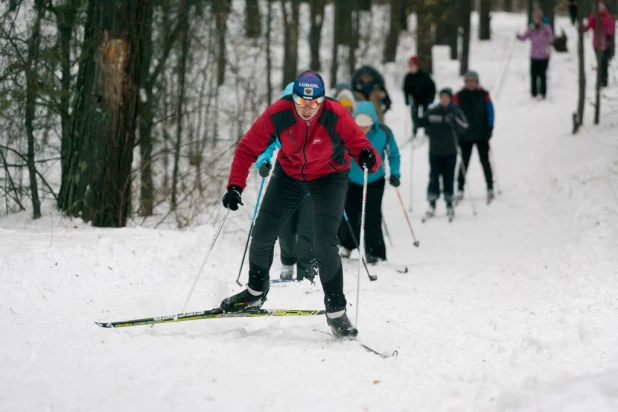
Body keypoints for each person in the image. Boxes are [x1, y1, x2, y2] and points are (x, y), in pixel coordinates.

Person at [221, 71, 381, 338]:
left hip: (330, 178)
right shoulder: (279, 113)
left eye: (314, 103)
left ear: (322, 100)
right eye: (301, 102)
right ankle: (255, 292)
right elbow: (247, 148)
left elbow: (362, 148)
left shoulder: (336, 114)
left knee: (324, 243)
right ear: (293, 97)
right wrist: (235, 186)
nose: (307, 109)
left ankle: (336, 311)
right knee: (261, 235)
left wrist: (368, 158)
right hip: (289, 176)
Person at [255, 82, 317, 282]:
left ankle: (307, 269)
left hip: (311, 181)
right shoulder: (279, 122)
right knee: (285, 227)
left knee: (307, 227)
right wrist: (263, 162)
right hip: (287, 180)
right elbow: (265, 144)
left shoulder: (317, 123)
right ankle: (288, 263)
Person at [338, 102, 401, 264]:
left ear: (373, 121)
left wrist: (395, 174)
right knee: (350, 215)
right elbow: (336, 153)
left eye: (367, 126)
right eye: (360, 126)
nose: (363, 129)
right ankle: (347, 245)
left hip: (374, 181)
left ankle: (375, 253)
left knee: (372, 216)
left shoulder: (383, 132)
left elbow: (393, 154)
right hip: (351, 180)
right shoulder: (347, 131)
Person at [418, 88, 468, 219]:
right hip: (434, 151)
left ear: (450, 98)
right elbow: (422, 122)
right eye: (442, 97)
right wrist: (416, 116)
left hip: (450, 151)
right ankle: (432, 202)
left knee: (449, 177)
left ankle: (449, 203)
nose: (444, 100)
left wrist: (454, 120)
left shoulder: (455, 111)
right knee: (434, 177)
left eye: (446, 97)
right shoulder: (433, 110)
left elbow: (464, 127)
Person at [453, 71, 496, 203]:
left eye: (473, 81)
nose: (471, 83)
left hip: (481, 134)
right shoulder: (459, 95)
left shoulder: (484, 94)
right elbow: (454, 112)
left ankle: (490, 186)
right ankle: (460, 187)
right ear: (465, 82)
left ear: (477, 82)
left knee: (485, 161)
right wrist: (456, 130)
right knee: (464, 163)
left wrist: (490, 127)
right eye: (468, 81)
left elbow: (490, 111)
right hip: (465, 136)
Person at [517, 8, 555, 100]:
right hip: (534, 56)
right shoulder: (531, 28)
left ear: (541, 18)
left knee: (542, 75)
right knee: (533, 75)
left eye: (538, 17)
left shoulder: (546, 27)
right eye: (535, 17)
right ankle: (533, 93)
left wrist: (549, 39)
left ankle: (543, 93)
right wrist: (519, 36)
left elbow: (552, 37)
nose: (536, 19)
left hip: (544, 55)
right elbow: (524, 37)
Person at [402, 55, 436, 137]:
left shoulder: (424, 75)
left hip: (425, 97)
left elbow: (432, 87)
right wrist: (406, 99)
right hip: (415, 98)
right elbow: (406, 89)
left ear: (417, 66)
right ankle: (415, 129)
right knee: (414, 112)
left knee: (426, 113)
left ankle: (427, 130)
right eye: (410, 66)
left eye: (413, 65)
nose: (412, 67)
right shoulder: (408, 77)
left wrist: (431, 98)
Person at [583, 1, 615, 87]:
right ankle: (601, 80)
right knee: (599, 62)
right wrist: (583, 28)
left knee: (604, 63)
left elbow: (611, 28)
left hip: (605, 44)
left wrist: (606, 32)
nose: (601, 9)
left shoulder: (608, 17)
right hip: (596, 44)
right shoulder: (594, 16)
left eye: (602, 7)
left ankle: (604, 80)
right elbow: (588, 25)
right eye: (599, 7)